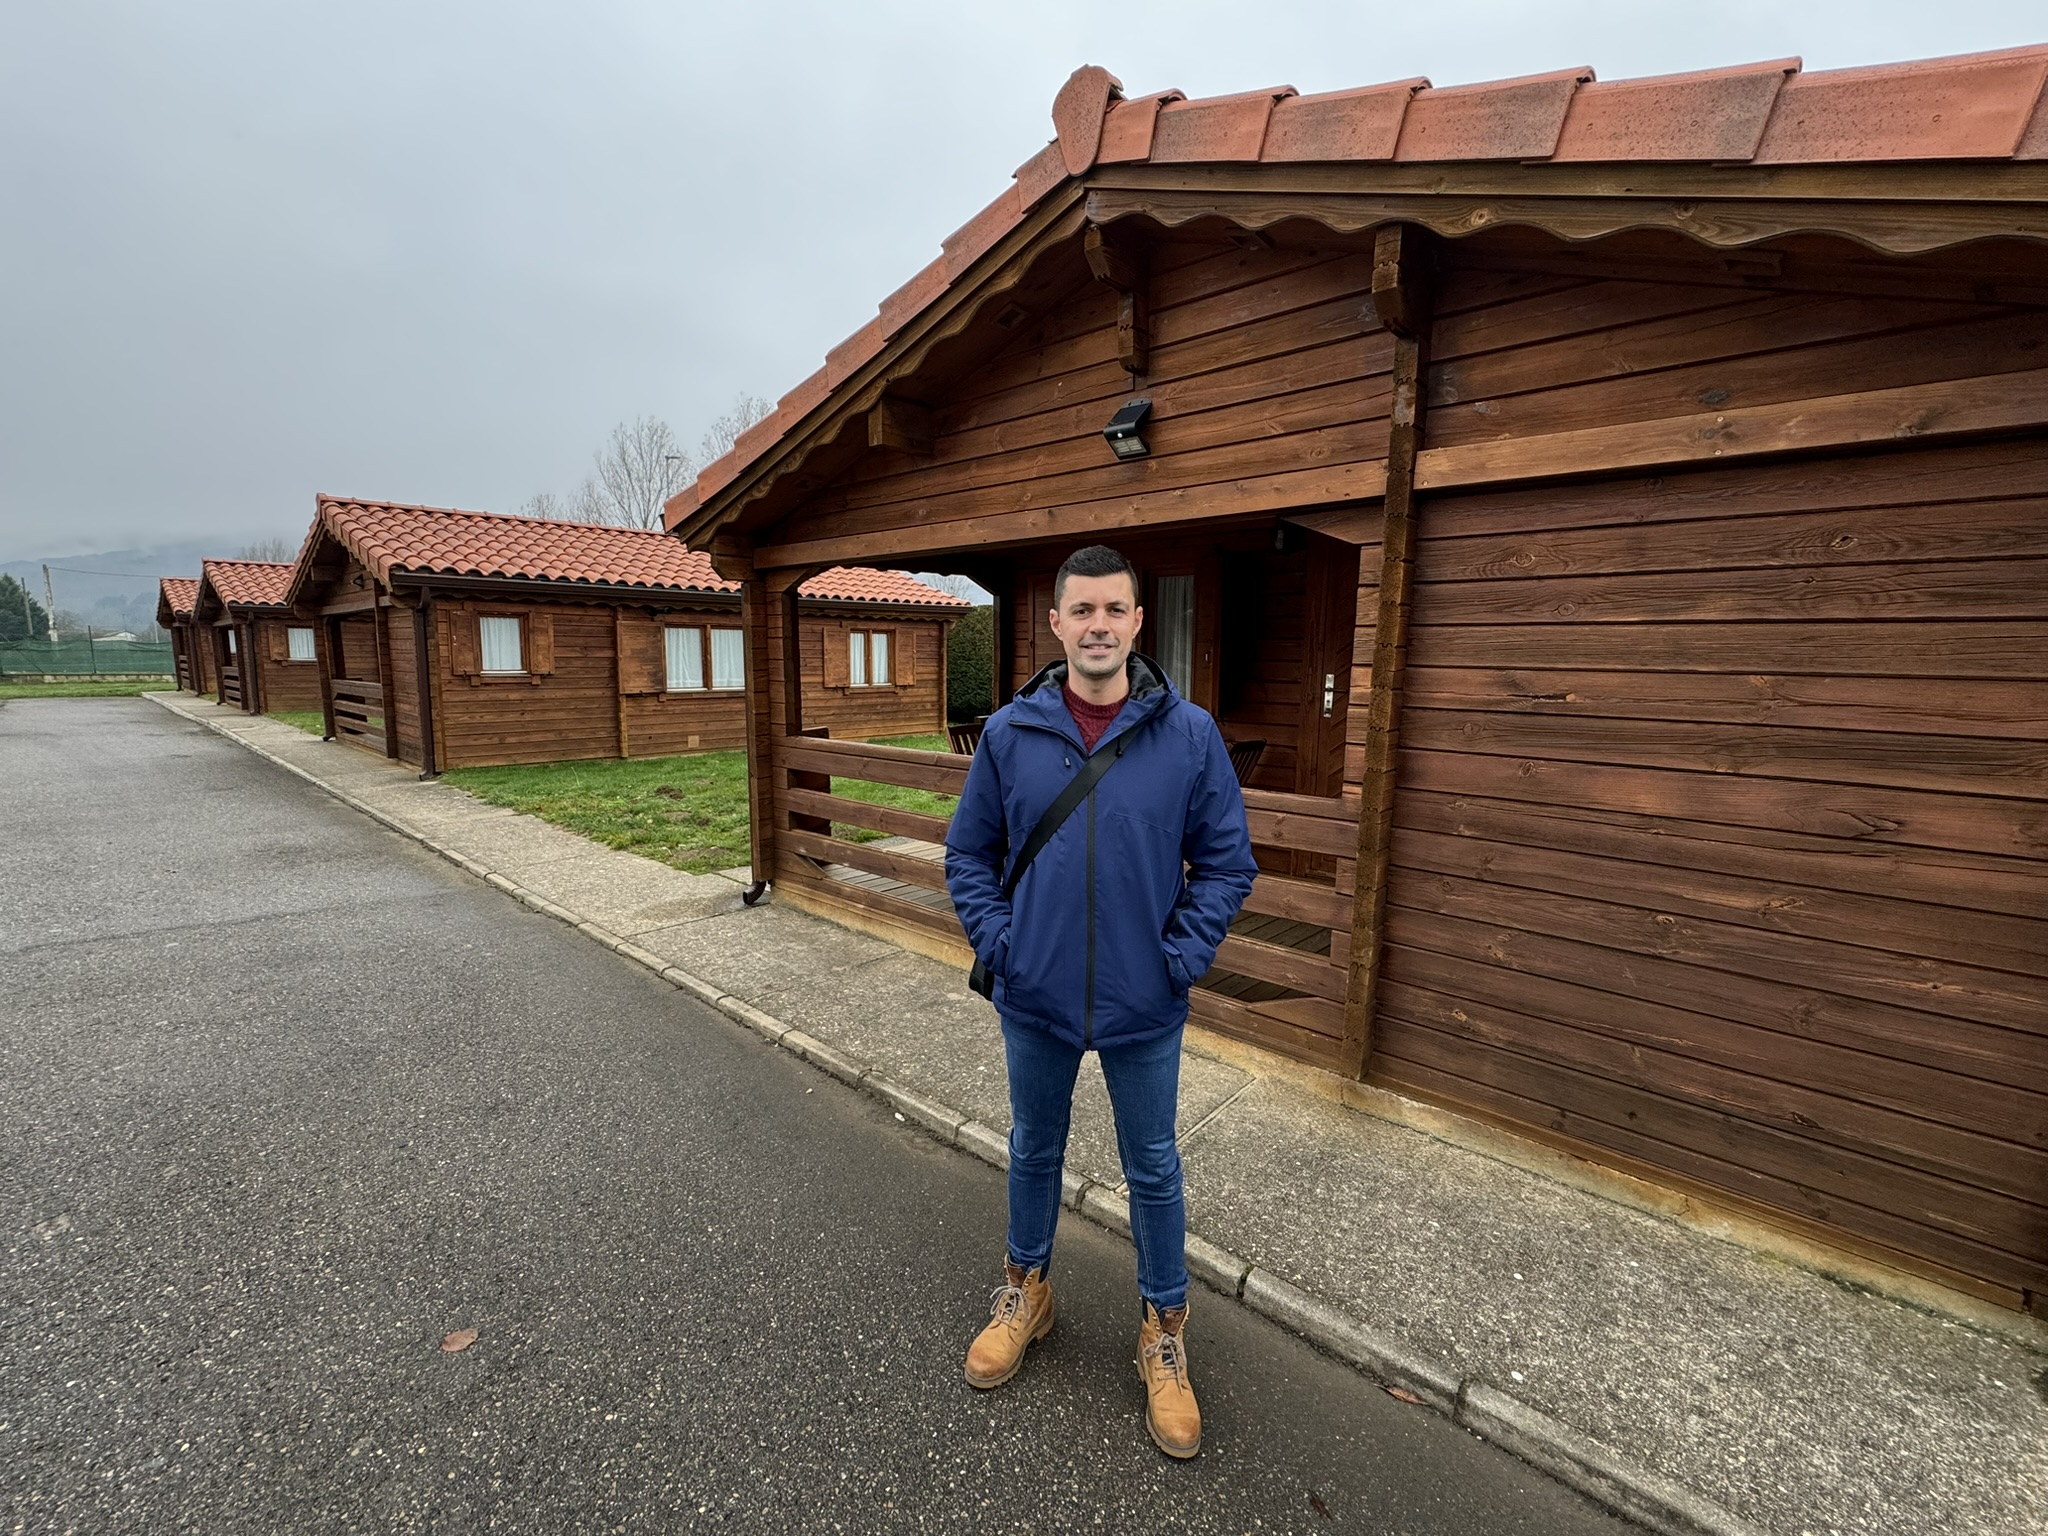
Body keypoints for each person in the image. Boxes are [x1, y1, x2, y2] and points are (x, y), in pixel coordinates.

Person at [944, 544, 1257, 1459]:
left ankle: (1164, 1331)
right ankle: (1026, 1293)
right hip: (1035, 995)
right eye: (1081, 610)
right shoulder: (1010, 734)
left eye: (1114, 610)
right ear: (1055, 623)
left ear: (1137, 621)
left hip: (1142, 1002)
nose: (1098, 626)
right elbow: (968, 853)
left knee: (1152, 1165)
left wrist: (1178, 959)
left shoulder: (1189, 735)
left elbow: (1228, 863)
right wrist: (1003, 946)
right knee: (1033, 1147)